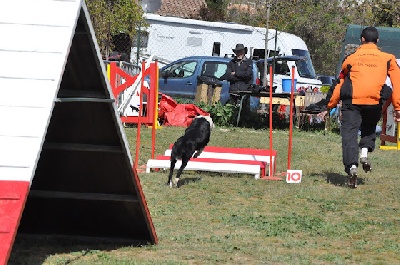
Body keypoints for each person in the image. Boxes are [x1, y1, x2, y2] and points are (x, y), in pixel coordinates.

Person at [327, 26, 400, 188]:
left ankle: (352, 167)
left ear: (362, 39)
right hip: (374, 102)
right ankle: (365, 155)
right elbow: (397, 83)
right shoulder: (388, 58)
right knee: (369, 128)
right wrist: (397, 108)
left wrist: (330, 104)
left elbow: (340, 82)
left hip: (352, 102)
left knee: (349, 134)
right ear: (378, 41)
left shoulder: (351, 58)